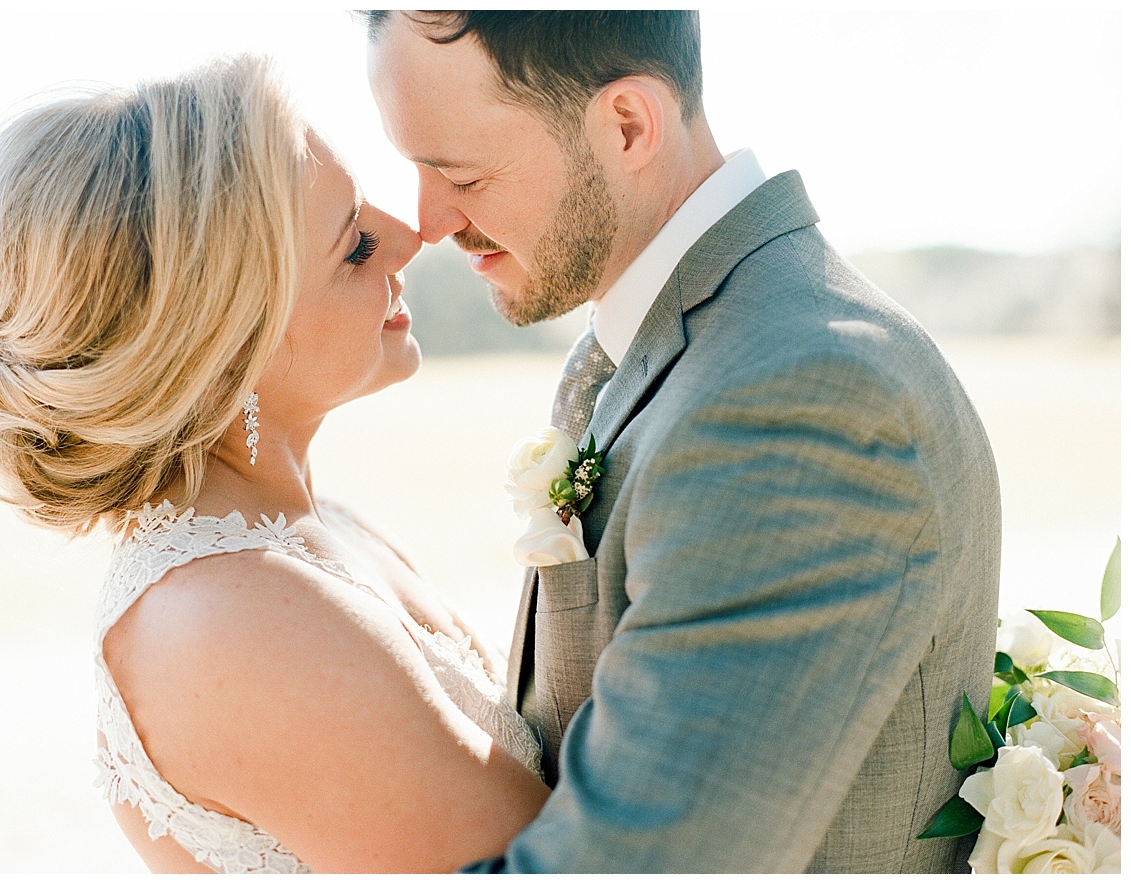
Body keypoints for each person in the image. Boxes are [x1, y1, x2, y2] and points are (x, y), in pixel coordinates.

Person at [365, 10, 1002, 873]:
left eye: (461, 174)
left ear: (628, 125)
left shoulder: (797, 396)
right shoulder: (680, 346)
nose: (429, 219)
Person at [0, 54, 549, 873]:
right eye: (357, 245)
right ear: (228, 344)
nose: (412, 238)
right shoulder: (226, 622)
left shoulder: (314, 530)